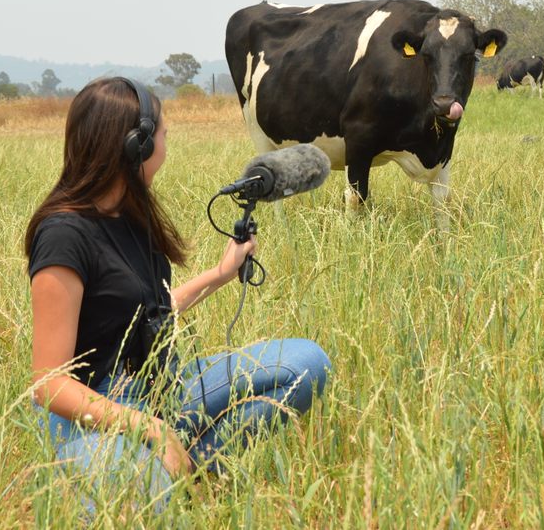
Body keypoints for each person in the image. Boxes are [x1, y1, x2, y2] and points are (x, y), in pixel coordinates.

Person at [25, 76, 329, 511]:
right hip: (95, 412)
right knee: (142, 498)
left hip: (164, 388)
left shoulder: (130, 214)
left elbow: (149, 312)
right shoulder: (63, 237)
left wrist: (220, 274)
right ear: (137, 146)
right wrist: (149, 428)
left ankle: (195, 468)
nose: (168, 143)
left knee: (308, 365)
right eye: (164, 133)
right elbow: (49, 384)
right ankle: (154, 468)